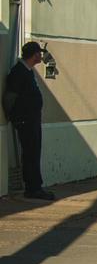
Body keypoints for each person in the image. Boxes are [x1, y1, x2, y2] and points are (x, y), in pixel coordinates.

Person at [3, 41, 54, 201]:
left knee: (34, 151)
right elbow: (10, 97)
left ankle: (35, 186)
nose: (41, 56)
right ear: (33, 55)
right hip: (25, 120)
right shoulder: (19, 72)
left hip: (32, 119)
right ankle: (33, 187)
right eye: (39, 54)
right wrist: (14, 116)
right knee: (30, 152)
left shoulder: (28, 71)